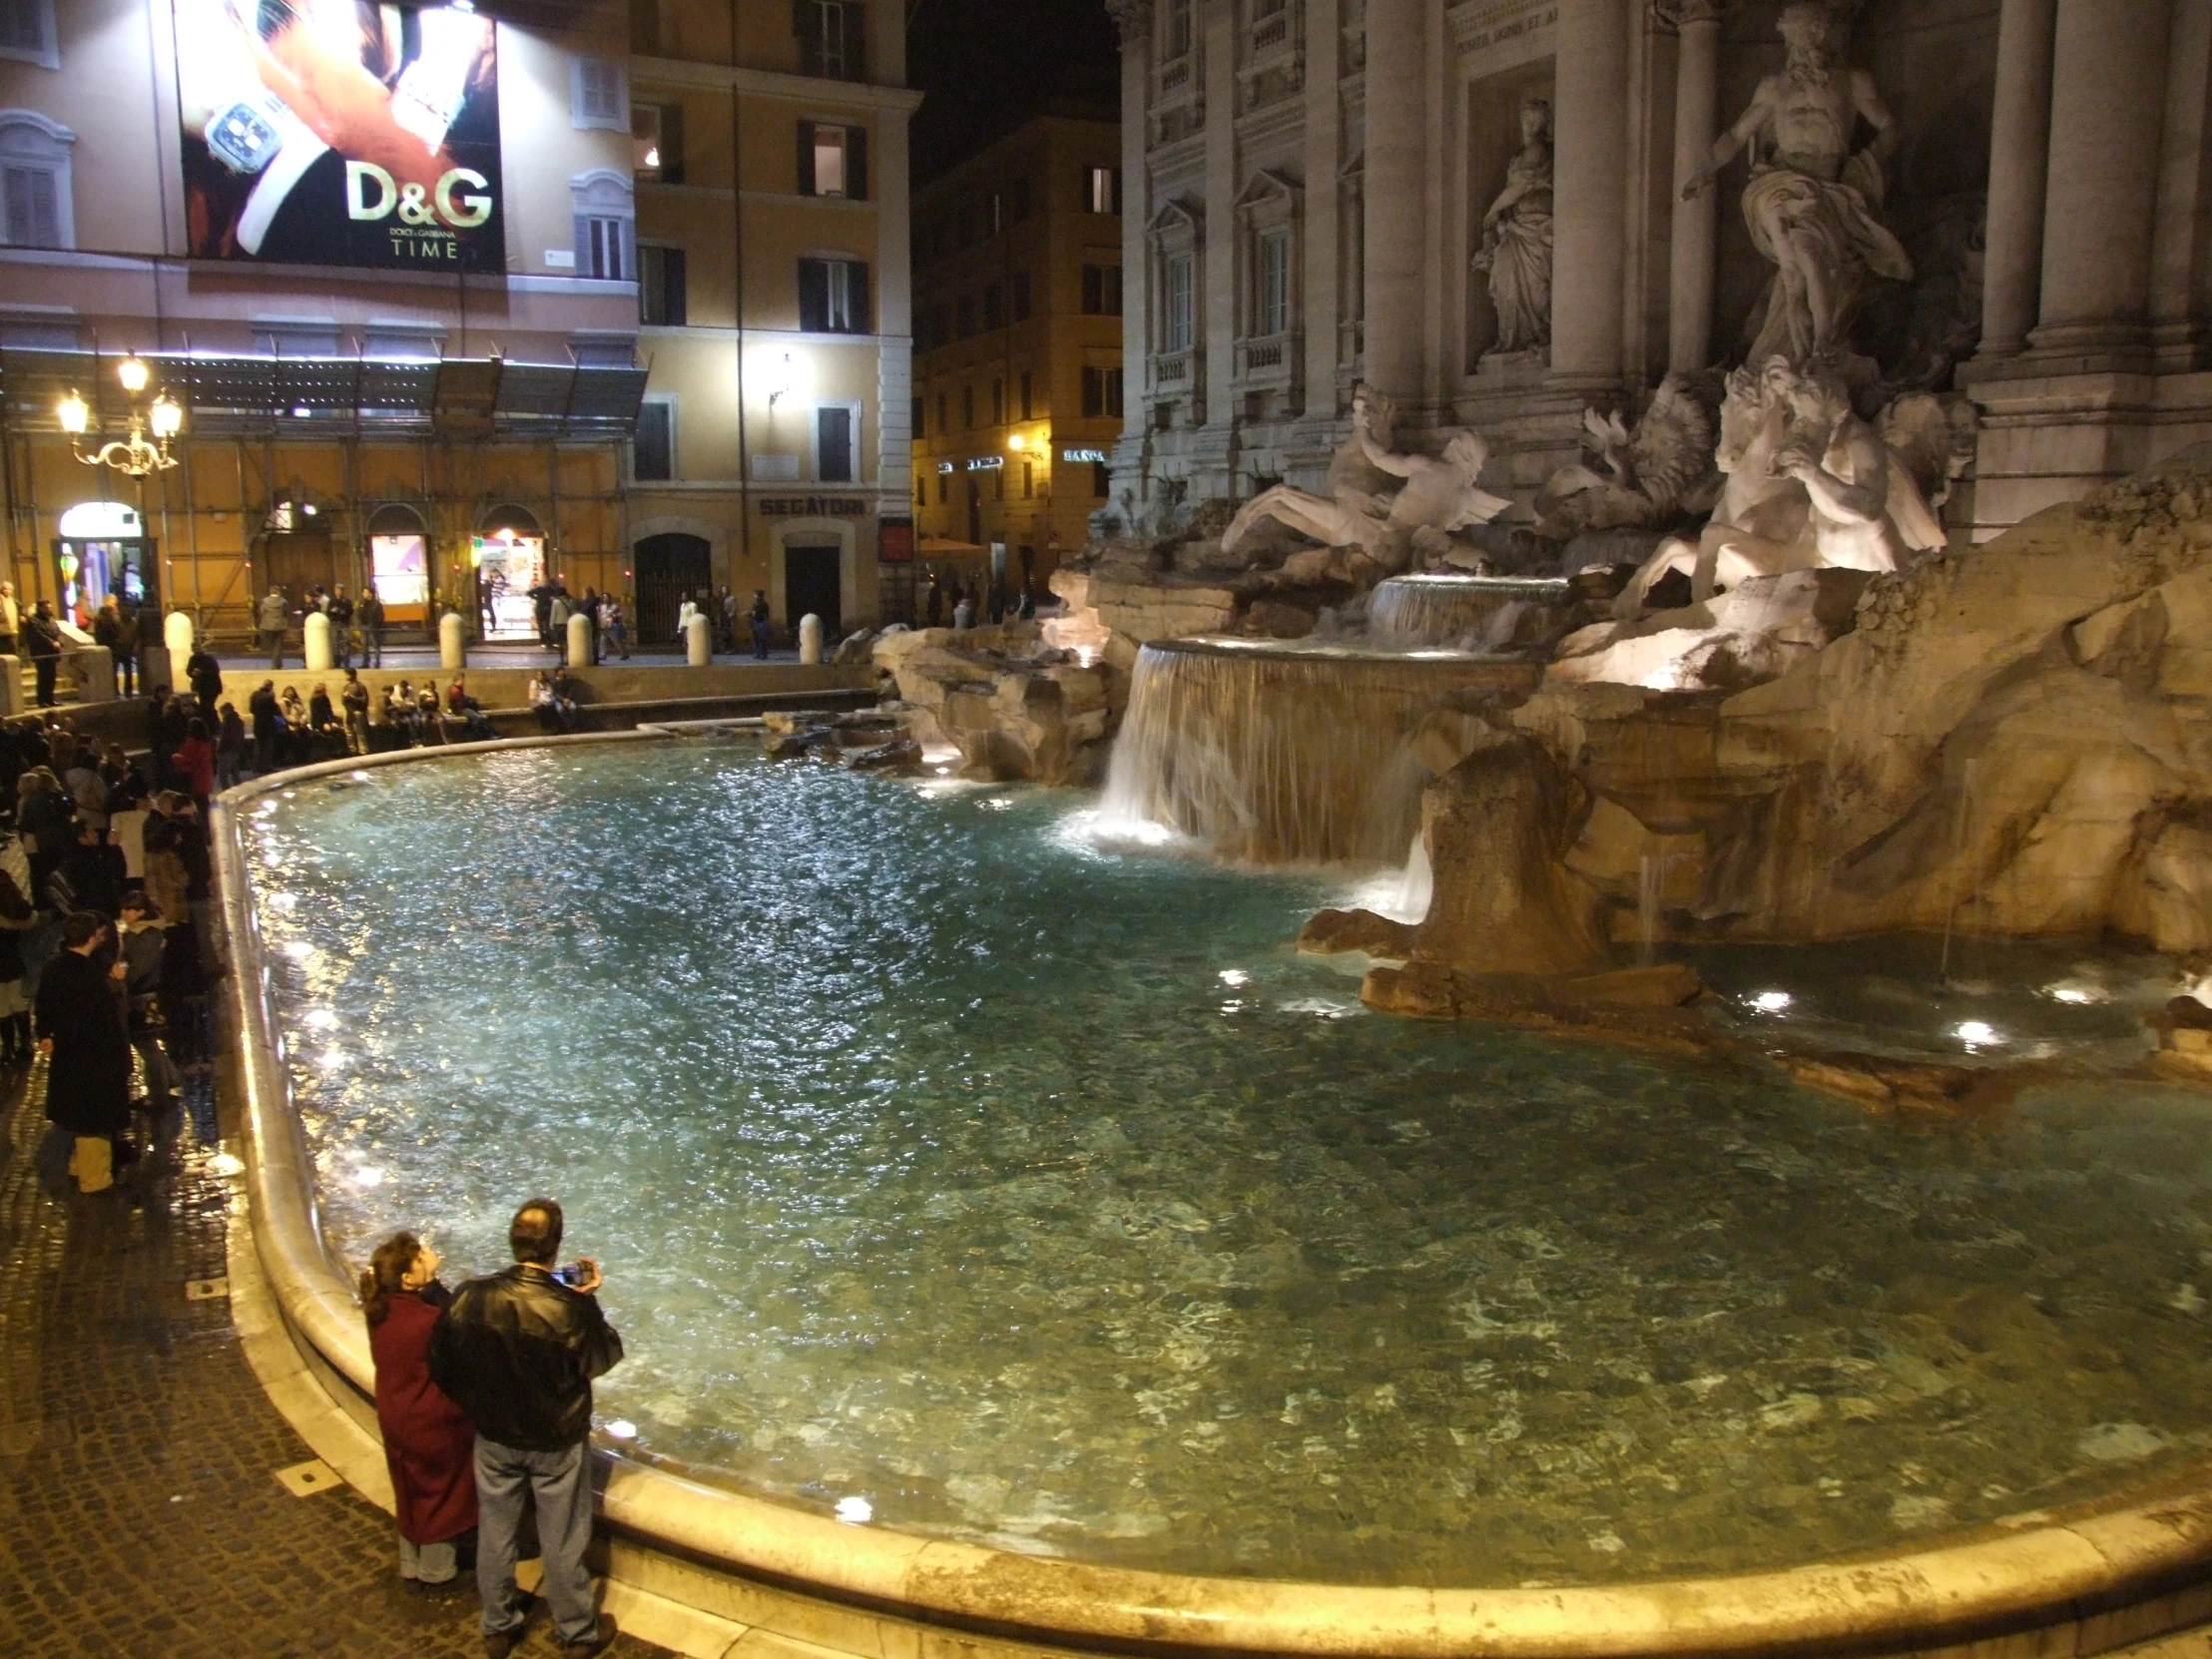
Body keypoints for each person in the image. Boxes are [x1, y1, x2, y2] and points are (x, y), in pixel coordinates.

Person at [429, 1199, 623, 1659]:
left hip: (495, 1436)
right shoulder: (567, 1308)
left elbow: (441, 1366)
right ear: (555, 1247)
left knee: (496, 1531)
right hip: (555, 1440)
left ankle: (498, 1625)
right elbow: (603, 1357)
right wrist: (586, 1299)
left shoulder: (470, 1296)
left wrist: (480, 1406)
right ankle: (576, 1631)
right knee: (562, 1537)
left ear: (512, 1242)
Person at [360, 1232, 478, 1595]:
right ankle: (437, 1571)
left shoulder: (381, 1312)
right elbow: (460, 1323)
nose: (426, 1254)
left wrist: (430, 1276)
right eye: (417, 1256)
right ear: (407, 1279)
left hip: (396, 1412)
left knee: (409, 1487)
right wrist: (438, 1279)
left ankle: (411, 1561)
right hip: (432, 1420)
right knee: (440, 1493)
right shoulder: (426, 1321)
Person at [38, 911, 134, 1195]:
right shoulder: (90, 975)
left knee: (81, 1116)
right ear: (93, 937)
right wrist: (116, 982)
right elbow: (105, 1014)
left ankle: (78, 1167)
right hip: (95, 1057)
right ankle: (96, 1181)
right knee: (95, 1119)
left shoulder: (54, 969)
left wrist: (44, 1035)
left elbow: (44, 1006)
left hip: (69, 1054)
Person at [116, 887, 179, 1115]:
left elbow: (137, 968)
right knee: (148, 1043)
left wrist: (121, 974)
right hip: (142, 995)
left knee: (146, 1045)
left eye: (128, 909)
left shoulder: (147, 936)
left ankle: (158, 1095)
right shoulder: (136, 932)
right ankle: (171, 1080)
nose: (123, 913)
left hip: (143, 998)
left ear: (140, 912)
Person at [0, 866, 34, 1064]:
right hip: (11, 957)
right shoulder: (14, 904)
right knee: (16, 999)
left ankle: (8, 1047)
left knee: (2, 1004)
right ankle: (26, 1042)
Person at [172, 718, 216, 812]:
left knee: (199, 803)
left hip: (196, 776)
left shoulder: (194, 743)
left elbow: (189, 759)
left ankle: (203, 823)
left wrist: (175, 756)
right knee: (203, 801)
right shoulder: (206, 742)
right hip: (205, 774)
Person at [24, 602, 63, 709]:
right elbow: (38, 634)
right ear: (41, 608)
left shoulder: (51, 619)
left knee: (52, 676)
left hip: (52, 653)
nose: (49, 609)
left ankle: (50, 699)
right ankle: (42, 700)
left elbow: (57, 631)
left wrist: (59, 641)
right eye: (47, 607)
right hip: (41, 652)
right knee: (43, 677)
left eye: (50, 607)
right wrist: (51, 642)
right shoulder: (33, 620)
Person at [249, 680, 282, 774]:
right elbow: (274, 710)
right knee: (267, 747)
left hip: (257, 724)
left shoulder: (254, 695)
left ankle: (256, 767)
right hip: (268, 725)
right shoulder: (269, 696)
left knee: (258, 747)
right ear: (270, 686)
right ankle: (266, 767)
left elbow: (251, 709)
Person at [445, 677, 494, 742]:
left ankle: (474, 734)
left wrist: (469, 699)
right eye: (460, 681)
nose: (462, 682)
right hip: (460, 710)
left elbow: (462, 698)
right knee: (478, 718)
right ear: (456, 681)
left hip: (462, 708)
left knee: (476, 717)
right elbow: (459, 703)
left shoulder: (458, 689)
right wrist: (469, 702)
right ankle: (476, 735)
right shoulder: (455, 691)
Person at [186, 640, 224, 716]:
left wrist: (202, 673)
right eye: (194, 648)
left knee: (208, 706)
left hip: (211, 687)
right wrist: (192, 674)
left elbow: (215, 671)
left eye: (197, 647)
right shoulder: (193, 659)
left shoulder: (209, 659)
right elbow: (188, 670)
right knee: (203, 706)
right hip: (200, 687)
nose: (196, 649)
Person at [216, 704, 248, 792]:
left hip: (227, 750)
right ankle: (240, 791)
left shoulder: (228, 722)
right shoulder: (238, 721)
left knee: (223, 774)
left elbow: (225, 738)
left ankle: (227, 792)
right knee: (235, 773)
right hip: (236, 749)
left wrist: (219, 749)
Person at [340, 669, 370, 755]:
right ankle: (352, 750)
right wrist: (344, 698)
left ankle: (363, 750)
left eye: (347, 675)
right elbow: (342, 701)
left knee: (360, 732)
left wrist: (352, 697)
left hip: (358, 711)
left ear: (352, 675)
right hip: (348, 711)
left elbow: (365, 700)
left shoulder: (360, 686)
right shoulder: (346, 687)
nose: (346, 677)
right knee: (349, 732)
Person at [258, 587, 289, 668]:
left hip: (267, 626)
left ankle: (276, 663)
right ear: (278, 592)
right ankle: (276, 664)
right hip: (280, 626)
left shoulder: (265, 601)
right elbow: (286, 613)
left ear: (270, 592)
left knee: (272, 646)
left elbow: (262, 611)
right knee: (278, 645)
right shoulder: (283, 601)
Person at [328, 585, 355, 669]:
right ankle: (337, 663)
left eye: (339, 590)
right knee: (335, 644)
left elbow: (350, 612)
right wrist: (332, 611)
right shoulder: (332, 601)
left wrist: (342, 612)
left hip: (344, 624)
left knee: (345, 644)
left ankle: (346, 663)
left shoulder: (347, 601)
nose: (338, 592)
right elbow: (327, 612)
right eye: (336, 590)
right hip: (335, 624)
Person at [358, 587, 386, 668]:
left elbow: (381, 616)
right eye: (363, 592)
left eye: (365, 592)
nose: (364, 594)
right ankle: (365, 662)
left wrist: (375, 624)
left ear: (370, 594)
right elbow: (358, 613)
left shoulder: (376, 604)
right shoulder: (361, 603)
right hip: (363, 627)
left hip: (373, 628)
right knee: (364, 646)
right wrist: (360, 623)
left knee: (375, 645)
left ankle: (377, 662)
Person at [0, 579, 20, 658]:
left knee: (13, 651)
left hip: (13, 630)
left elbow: (22, 608)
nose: (7, 591)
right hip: (3, 631)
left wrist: (23, 615)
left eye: (9, 589)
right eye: (5, 589)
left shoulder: (13, 601)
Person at [750, 590, 772, 660]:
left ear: (759, 596)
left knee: (761, 639)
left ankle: (762, 654)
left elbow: (766, 614)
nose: (755, 596)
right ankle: (759, 654)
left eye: (756, 595)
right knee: (757, 638)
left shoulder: (762, 604)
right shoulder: (758, 604)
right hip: (758, 621)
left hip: (760, 622)